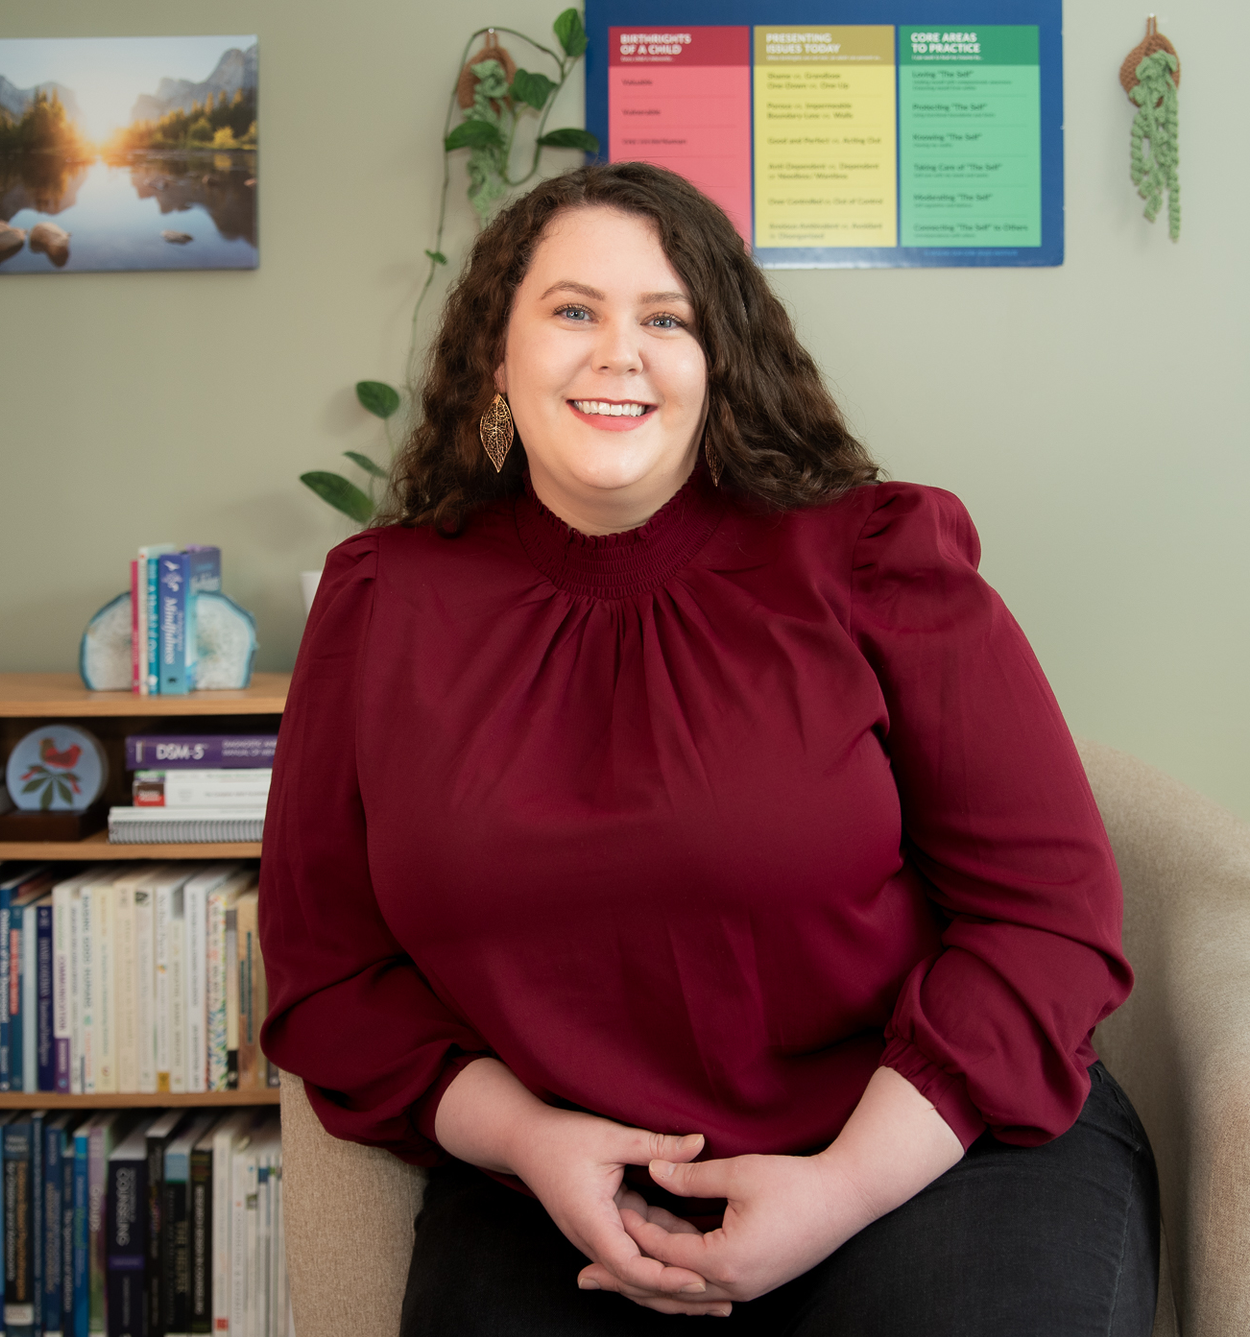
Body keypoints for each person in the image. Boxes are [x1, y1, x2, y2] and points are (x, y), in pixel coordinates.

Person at [259, 162, 1159, 1335]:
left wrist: (841, 1185)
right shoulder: (382, 601)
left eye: (665, 319)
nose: (617, 354)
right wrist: (528, 1140)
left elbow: (1046, 919)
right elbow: (329, 973)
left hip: (928, 1146)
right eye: (571, 310)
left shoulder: (871, 556)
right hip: (564, 1192)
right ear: (495, 357)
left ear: (717, 360)